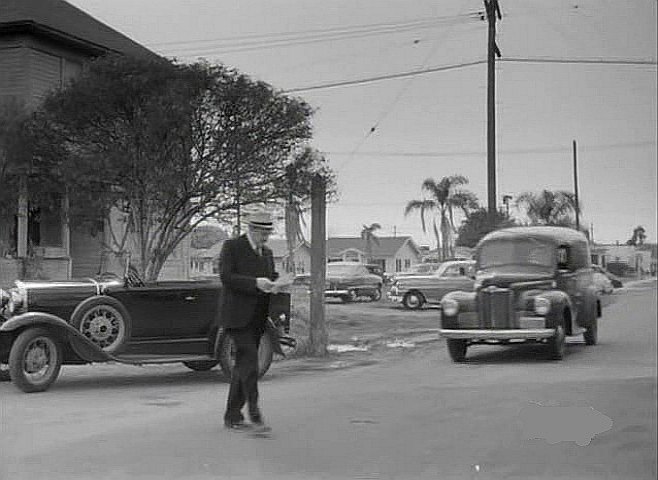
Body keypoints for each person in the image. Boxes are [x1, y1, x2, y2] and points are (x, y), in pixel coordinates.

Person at [218, 206, 279, 433]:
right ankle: (254, 412)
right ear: (251, 229)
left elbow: (270, 278)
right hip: (236, 316)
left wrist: (277, 283)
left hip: (257, 317)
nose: (265, 237)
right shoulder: (233, 247)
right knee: (250, 362)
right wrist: (254, 283)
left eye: (268, 233)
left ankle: (232, 415)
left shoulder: (268, 253)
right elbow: (226, 277)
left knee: (243, 366)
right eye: (262, 233)